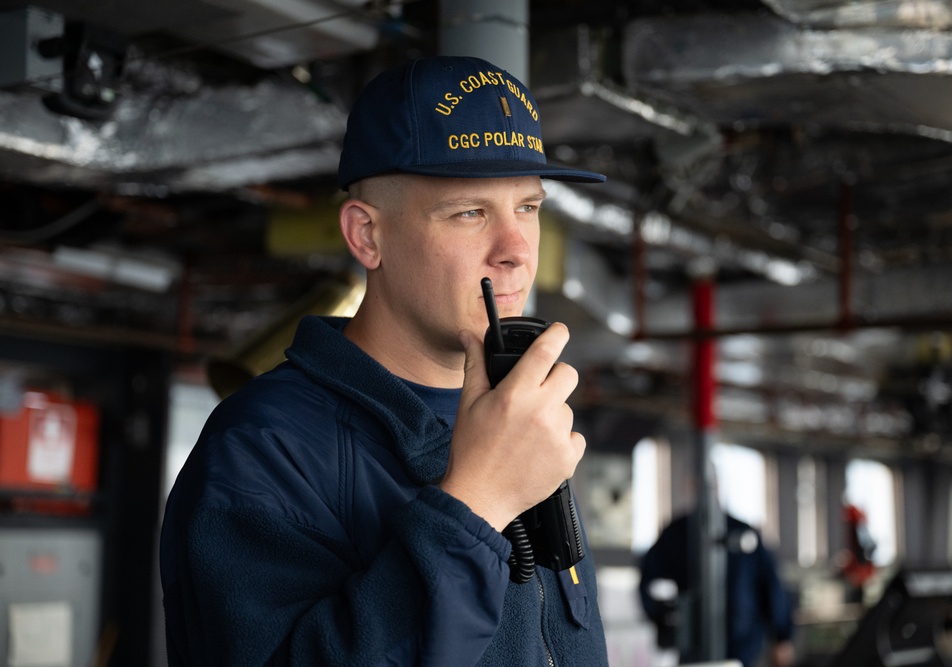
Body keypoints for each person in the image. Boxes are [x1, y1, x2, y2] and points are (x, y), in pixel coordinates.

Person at [159, 55, 610, 665]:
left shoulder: (515, 418)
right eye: (469, 212)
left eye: (527, 207)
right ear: (367, 236)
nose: (515, 252)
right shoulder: (263, 447)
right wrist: (476, 506)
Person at [639, 512, 795, 667]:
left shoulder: (744, 534)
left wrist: (783, 635)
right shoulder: (677, 533)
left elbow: (771, 585)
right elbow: (648, 579)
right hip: (701, 644)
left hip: (738, 644)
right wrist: (664, 619)